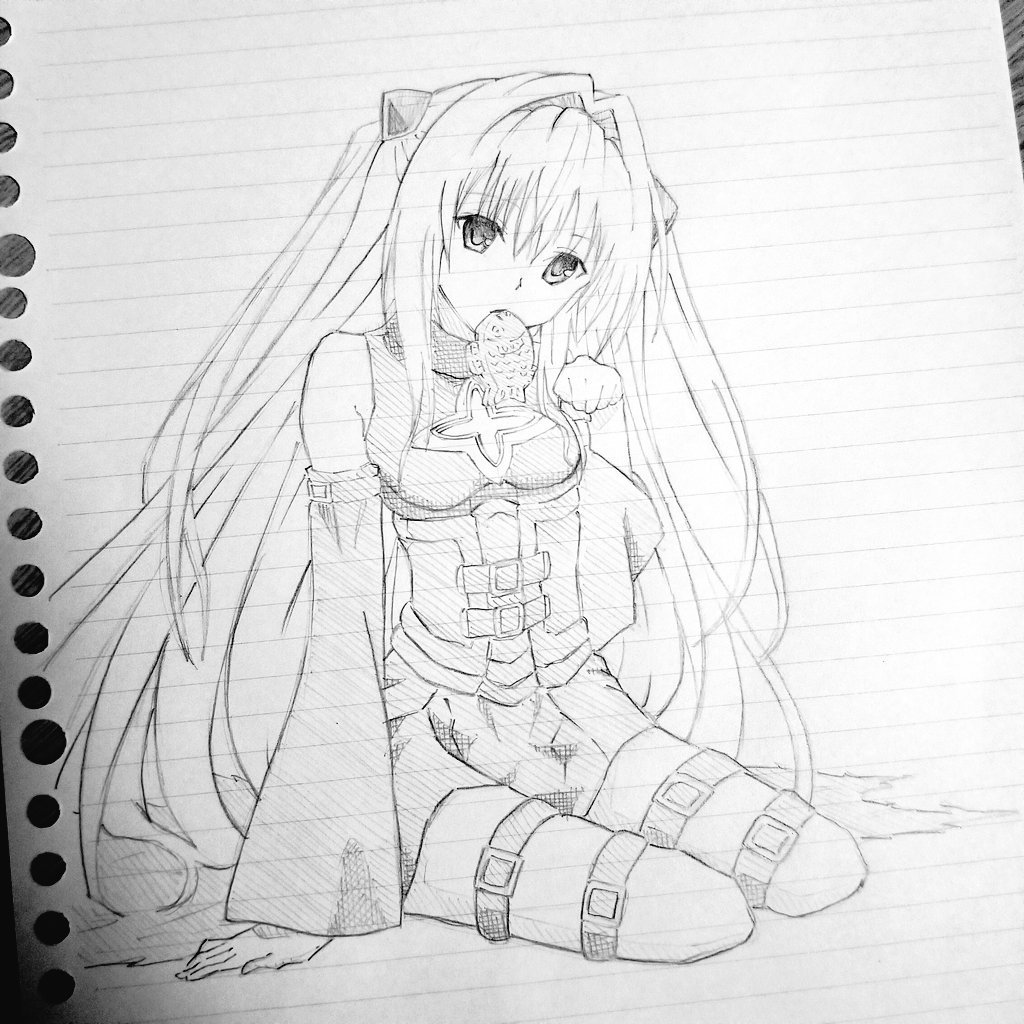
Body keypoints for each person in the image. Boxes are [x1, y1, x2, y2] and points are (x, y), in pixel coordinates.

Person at [50, 73, 866, 978]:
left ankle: (597, 789)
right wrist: (318, 865)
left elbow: (609, 556)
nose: (516, 283)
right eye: (480, 233)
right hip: (413, 723)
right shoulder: (354, 370)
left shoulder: (549, 366)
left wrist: (587, 435)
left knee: (807, 859)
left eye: (563, 267)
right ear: (422, 213)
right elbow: (340, 600)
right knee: (674, 906)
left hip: (570, 702)